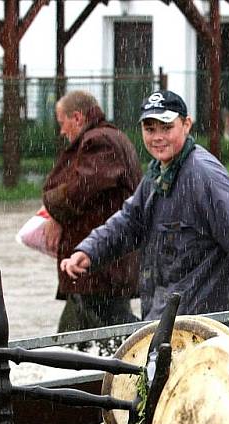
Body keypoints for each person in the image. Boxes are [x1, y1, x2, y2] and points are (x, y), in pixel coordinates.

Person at [60, 90, 229, 335]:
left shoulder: (202, 174)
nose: (157, 137)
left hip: (202, 331)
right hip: (165, 325)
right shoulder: (158, 172)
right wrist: (89, 250)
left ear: (186, 125)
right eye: (150, 129)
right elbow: (129, 221)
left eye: (166, 127)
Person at [42, 90, 142, 332]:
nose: (62, 131)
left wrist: (53, 208)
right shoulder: (107, 138)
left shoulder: (100, 142)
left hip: (100, 270)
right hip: (98, 270)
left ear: (77, 117)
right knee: (84, 340)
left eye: (62, 122)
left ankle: (168, 352)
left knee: (107, 334)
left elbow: (78, 191)